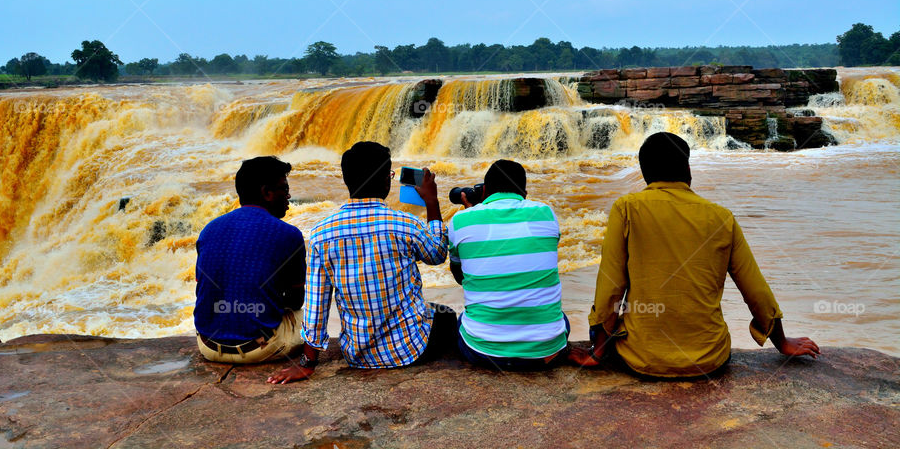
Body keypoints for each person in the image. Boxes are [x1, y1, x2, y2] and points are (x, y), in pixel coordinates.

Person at [570, 132, 820, 378]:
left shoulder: (626, 209)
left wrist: (599, 351)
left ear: (645, 174)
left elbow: (610, 286)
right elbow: (755, 289)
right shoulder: (721, 217)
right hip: (709, 359)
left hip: (641, 357)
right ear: (688, 170)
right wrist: (782, 342)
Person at [268, 141, 454, 384]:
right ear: (387, 181)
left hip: (357, 355)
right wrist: (432, 202)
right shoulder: (404, 224)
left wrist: (307, 364)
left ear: (346, 180)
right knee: (446, 314)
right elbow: (437, 254)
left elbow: (317, 302)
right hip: (409, 351)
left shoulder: (322, 234)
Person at [448, 159, 570, 371]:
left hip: (482, 351)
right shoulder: (545, 213)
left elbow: (461, 278)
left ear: (484, 191)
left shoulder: (461, 220)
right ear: (524, 193)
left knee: (460, 319)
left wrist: (473, 212)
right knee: (562, 319)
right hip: (547, 350)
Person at [194, 156, 305, 364]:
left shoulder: (209, 229)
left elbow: (204, 289)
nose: (288, 196)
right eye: (284, 188)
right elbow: (296, 300)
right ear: (266, 192)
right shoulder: (289, 234)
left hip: (207, 346)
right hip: (260, 350)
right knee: (308, 316)